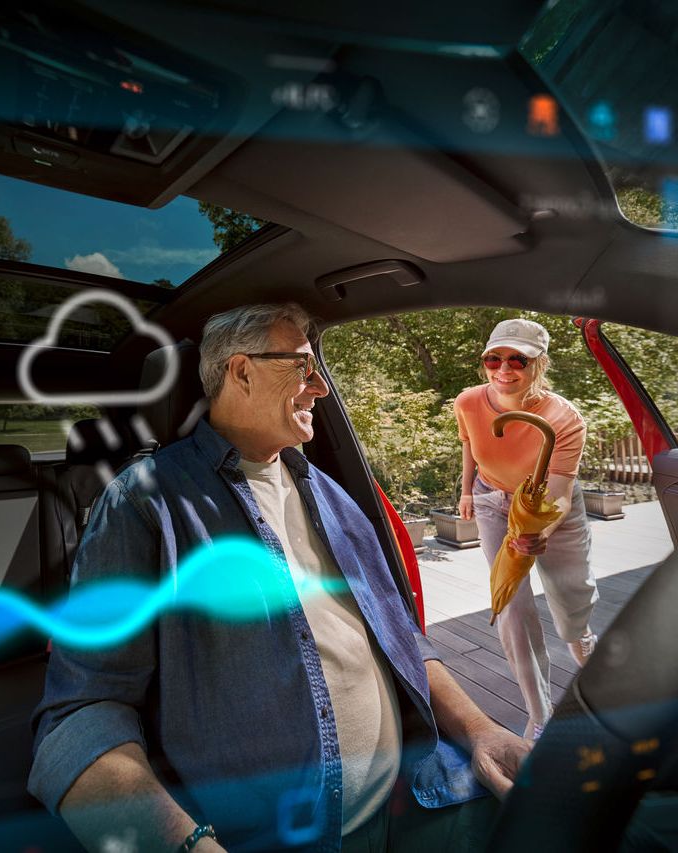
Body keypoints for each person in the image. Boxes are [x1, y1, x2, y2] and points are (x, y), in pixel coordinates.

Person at [29, 303, 530, 853]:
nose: (321, 388)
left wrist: (482, 731)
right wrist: (187, 845)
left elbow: (401, 639)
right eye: (303, 367)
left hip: (417, 794)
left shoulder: (328, 491)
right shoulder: (142, 502)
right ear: (241, 371)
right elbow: (81, 712)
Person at [454, 318, 599, 740]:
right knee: (511, 608)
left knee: (570, 595)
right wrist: (466, 491)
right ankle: (539, 714)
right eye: (494, 358)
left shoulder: (563, 418)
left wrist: (542, 532)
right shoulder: (467, 401)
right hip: (492, 500)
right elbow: (469, 445)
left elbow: (561, 495)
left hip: (548, 506)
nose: (504, 368)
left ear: (539, 363)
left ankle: (585, 648)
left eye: (518, 359)